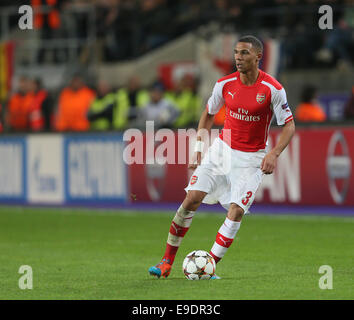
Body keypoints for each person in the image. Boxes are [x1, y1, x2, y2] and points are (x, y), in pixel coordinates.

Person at [148, 35, 295, 279]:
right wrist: (197, 148)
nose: (238, 57)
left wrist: (274, 153)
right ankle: (166, 261)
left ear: (258, 56)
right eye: (236, 52)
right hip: (222, 151)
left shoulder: (273, 89)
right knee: (191, 199)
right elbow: (208, 114)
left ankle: (210, 265)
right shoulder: (225, 84)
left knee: (236, 211)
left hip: (251, 159)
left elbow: (289, 126)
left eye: (245, 53)